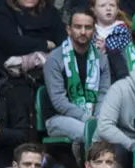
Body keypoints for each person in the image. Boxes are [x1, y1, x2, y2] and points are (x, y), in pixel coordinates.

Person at [43, 8, 111, 146]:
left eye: (88, 27)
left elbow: (104, 93)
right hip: (58, 118)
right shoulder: (55, 58)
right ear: (69, 29)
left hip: (94, 117)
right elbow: (58, 101)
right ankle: (88, 167)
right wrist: (87, 119)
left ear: (94, 30)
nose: (83, 32)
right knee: (90, 132)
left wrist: (97, 118)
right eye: (78, 27)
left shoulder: (101, 58)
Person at [0, 0, 66, 70]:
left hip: (49, 67)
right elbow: (12, 42)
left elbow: (63, 41)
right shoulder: (2, 14)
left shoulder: (51, 12)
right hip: (10, 73)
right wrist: (45, 44)